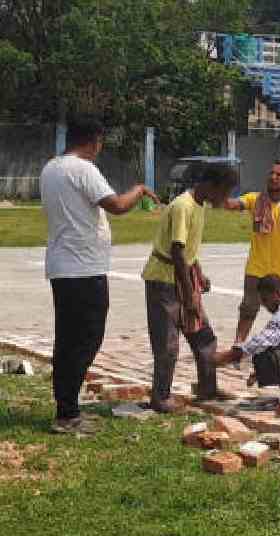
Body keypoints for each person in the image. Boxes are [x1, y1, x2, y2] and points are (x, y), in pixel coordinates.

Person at [40, 115, 159, 434]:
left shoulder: (51, 167)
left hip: (63, 265)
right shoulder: (83, 169)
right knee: (86, 338)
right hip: (83, 268)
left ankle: (66, 407)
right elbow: (117, 205)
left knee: (67, 339)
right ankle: (67, 414)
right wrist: (140, 189)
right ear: (93, 140)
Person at [142, 164, 238, 413]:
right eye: (225, 192)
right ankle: (160, 397)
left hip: (185, 276)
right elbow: (176, 250)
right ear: (211, 186)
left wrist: (200, 274)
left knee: (203, 335)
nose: (225, 199)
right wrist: (188, 295)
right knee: (167, 344)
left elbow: (189, 249)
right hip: (163, 280)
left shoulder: (199, 205)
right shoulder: (183, 205)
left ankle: (208, 388)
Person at [224, 161, 280, 347]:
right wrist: (221, 192)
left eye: (279, 175)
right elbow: (233, 204)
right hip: (257, 269)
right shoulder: (255, 199)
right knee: (248, 309)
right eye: (271, 173)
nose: (273, 177)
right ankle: (238, 344)